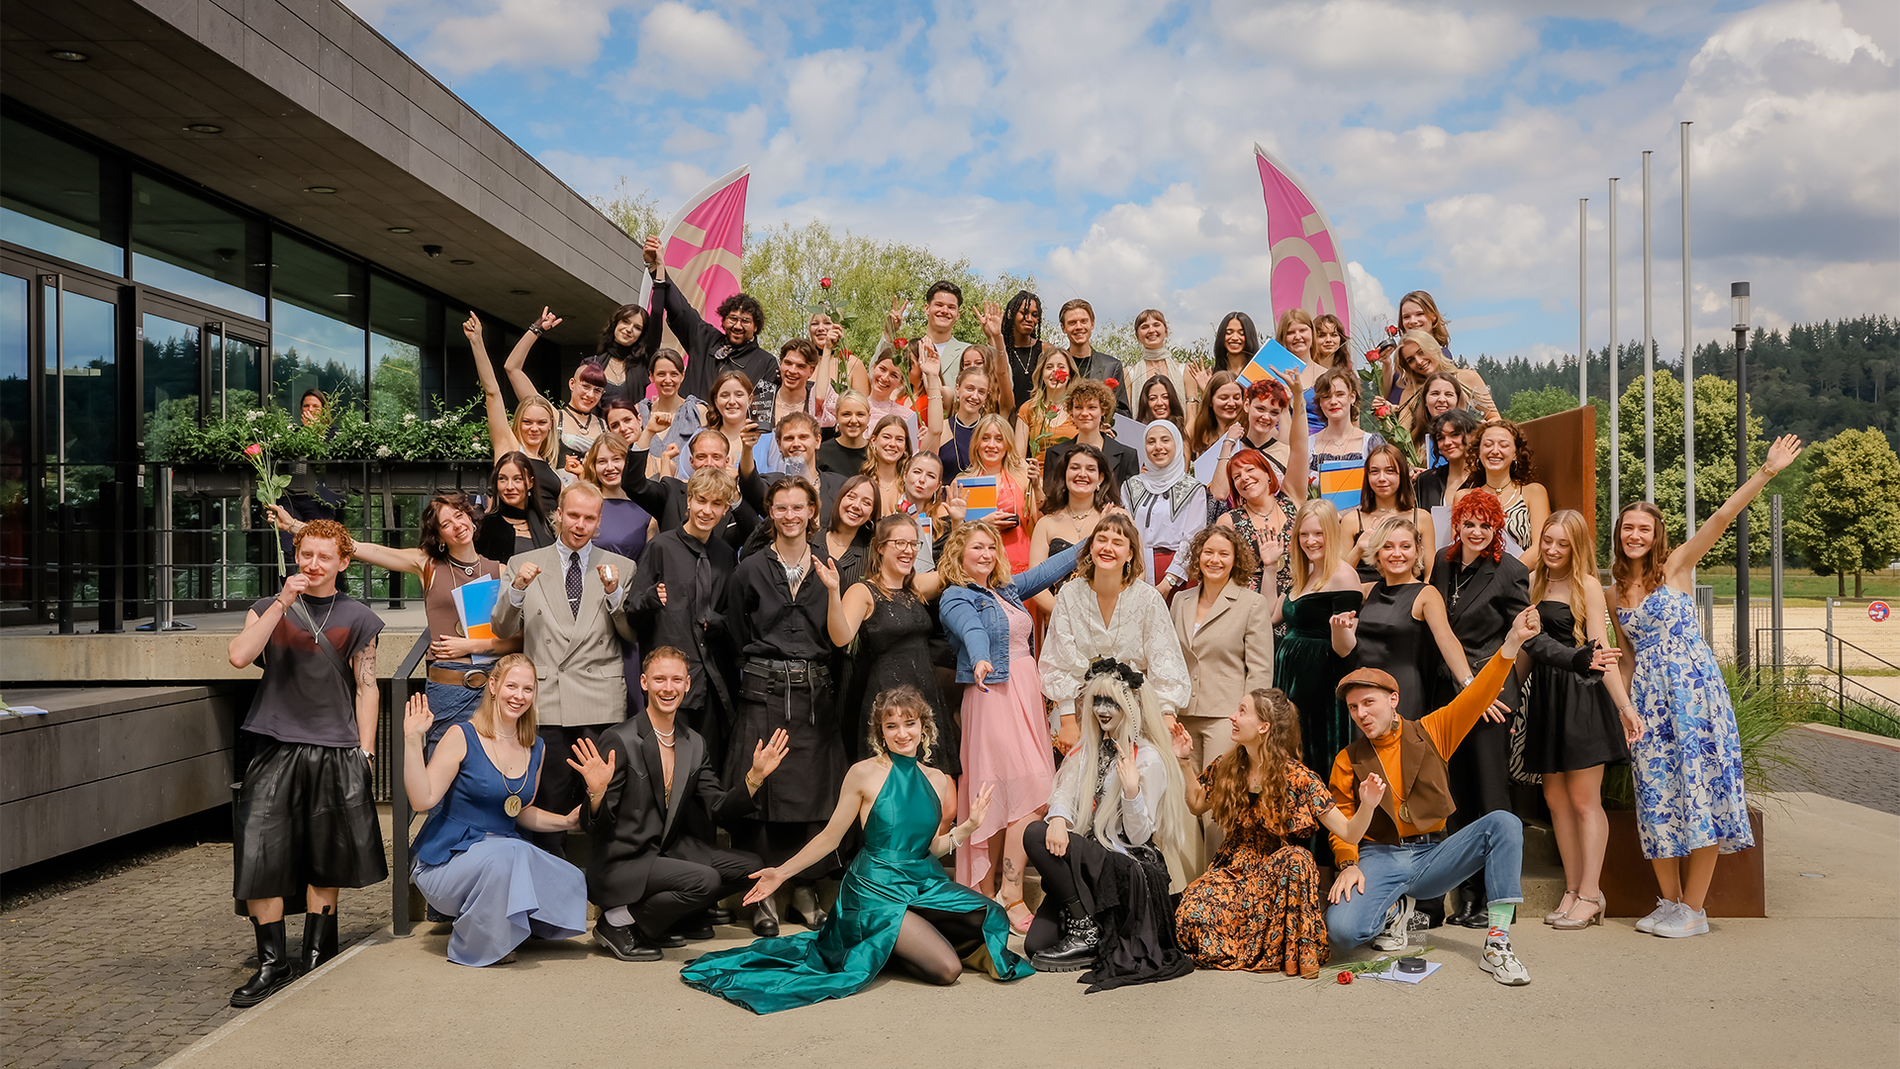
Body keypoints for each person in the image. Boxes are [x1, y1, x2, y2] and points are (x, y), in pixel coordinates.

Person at [680, 686, 1033, 1013]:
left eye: (909, 723)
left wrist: (967, 829)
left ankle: (895, 942)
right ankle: (885, 945)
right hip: (874, 889)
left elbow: (931, 848)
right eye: (891, 725)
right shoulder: (864, 773)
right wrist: (781, 873)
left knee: (990, 915)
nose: (902, 733)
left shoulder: (938, 780)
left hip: (921, 882)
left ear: (923, 727)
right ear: (881, 731)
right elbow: (831, 838)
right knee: (947, 969)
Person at [1612, 435, 1803, 938]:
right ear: (1618, 534)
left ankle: (1694, 910)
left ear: (1658, 536)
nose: (1635, 535)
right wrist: (1626, 710)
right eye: (1628, 528)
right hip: (1649, 702)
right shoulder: (1614, 591)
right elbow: (1627, 657)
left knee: (1698, 791)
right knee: (1657, 795)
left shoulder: (1676, 568)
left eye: (1643, 529)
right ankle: (1669, 901)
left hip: (1694, 694)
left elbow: (1720, 518)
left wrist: (1767, 471)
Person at [1323, 606, 1543, 986]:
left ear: (1393, 699)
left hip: (1434, 854)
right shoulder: (1347, 758)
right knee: (1343, 933)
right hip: (1379, 855)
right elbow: (1340, 821)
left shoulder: (1432, 730)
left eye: (1369, 702)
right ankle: (1393, 911)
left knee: (1503, 823)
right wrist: (1348, 863)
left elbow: (1476, 695)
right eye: (1353, 707)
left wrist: (1511, 644)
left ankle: (1498, 942)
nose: (1361, 713)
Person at [223, 519, 387, 1007]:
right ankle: (273, 961)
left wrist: (366, 749)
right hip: (274, 742)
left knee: (325, 852)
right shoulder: (267, 608)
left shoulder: (358, 617)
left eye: (324, 557)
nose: (313, 565)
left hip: (336, 746)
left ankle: (318, 950)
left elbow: (367, 686)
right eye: (306, 555)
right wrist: (281, 603)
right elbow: (238, 657)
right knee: (260, 851)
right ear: (296, 555)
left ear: (342, 562)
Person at [568, 647, 792, 959]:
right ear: (644, 682)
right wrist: (596, 794)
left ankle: (664, 919)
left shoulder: (694, 743)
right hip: (622, 861)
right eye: (660, 679)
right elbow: (597, 827)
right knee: (706, 880)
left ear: (688, 684)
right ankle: (618, 922)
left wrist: (753, 778)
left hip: (667, 852)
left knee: (751, 868)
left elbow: (718, 809)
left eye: (676, 680)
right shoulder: (620, 739)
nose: (668, 688)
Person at [266, 494, 520, 753]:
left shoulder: (499, 571)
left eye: (459, 515)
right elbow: (359, 548)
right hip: (448, 689)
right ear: (439, 536)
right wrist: (294, 526)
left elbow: (519, 639)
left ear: (471, 518)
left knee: (495, 764)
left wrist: (472, 646)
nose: (457, 525)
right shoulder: (427, 564)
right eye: (445, 524)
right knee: (445, 766)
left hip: (492, 686)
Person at [1171, 688, 1384, 977]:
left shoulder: (1300, 778)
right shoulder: (1228, 766)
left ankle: (1288, 948)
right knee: (1191, 912)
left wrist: (1368, 805)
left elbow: (1349, 833)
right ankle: (1250, 943)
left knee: (1297, 858)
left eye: (1242, 711)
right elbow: (1197, 804)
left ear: (1264, 726)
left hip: (1279, 874)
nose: (1233, 717)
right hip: (1233, 869)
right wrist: (1184, 761)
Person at [938, 522, 1086, 933]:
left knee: (1030, 793)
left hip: (1026, 695)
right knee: (1007, 789)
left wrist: (1095, 538)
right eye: (976, 548)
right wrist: (981, 657)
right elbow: (970, 628)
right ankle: (993, 892)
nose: (985, 554)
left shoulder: (1004, 589)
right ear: (959, 554)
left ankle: (1007, 890)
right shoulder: (956, 595)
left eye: (991, 547)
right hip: (993, 696)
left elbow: (1047, 571)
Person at [720, 476, 849, 937]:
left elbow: (838, 637)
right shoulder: (750, 569)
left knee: (813, 797)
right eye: (782, 508)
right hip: (763, 690)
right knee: (763, 798)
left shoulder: (828, 568)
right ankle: (765, 894)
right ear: (770, 513)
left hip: (815, 695)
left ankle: (803, 887)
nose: (791, 515)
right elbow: (736, 631)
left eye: (800, 507)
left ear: (813, 512)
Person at [400, 657, 587, 966]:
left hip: (505, 855)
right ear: (493, 686)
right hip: (447, 861)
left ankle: (505, 925)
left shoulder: (535, 746)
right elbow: (423, 800)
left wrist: (565, 821)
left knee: (569, 878)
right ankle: (477, 943)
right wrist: (411, 739)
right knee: (510, 855)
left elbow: (521, 811)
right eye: (511, 686)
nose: (519, 695)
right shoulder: (461, 735)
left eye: (528, 688)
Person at [1021, 665, 1194, 987]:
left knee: (1033, 834)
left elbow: (1140, 836)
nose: (1101, 710)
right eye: (1097, 701)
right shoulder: (1089, 749)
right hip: (1090, 856)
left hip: (1125, 864)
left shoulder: (1150, 758)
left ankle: (1086, 930)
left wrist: (1131, 792)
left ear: (1131, 707)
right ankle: (1087, 926)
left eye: (1111, 702)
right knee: (1036, 946)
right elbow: (1065, 791)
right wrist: (1058, 819)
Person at [493, 481, 637, 859]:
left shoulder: (621, 567)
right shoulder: (522, 564)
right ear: (559, 513)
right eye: (573, 515)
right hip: (548, 699)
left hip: (599, 699)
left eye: (589, 518)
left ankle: (609, 883)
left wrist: (613, 595)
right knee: (550, 795)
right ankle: (549, 884)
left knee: (603, 797)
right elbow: (503, 629)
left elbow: (632, 633)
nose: (580, 524)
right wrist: (519, 589)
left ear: (599, 521)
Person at [1522, 510, 1642, 931]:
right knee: (1555, 798)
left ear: (1577, 547)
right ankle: (1572, 889)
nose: (1553, 550)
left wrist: (1625, 708)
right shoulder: (1534, 582)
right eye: (1547, 541)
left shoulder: (1586, 585)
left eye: (1563, 543)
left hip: (1582, 698)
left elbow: (1602, 651)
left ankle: (1592, 893)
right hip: (1545, 699)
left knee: (1583, 800)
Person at [1428, 489, 1531, 931]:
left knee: (1490, 796)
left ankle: (1494, 901)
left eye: (1485, 525)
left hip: (1489, 698)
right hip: (1446, 693)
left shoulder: (1509, 571)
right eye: (1468, 522)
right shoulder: (1441, 561)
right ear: (1457, 523)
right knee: (1457, 798)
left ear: (1497, 529)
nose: (1475, 531)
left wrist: (1576, 658)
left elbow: (1523, 635)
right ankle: (1467, 898)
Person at [818, 513, 959, 776]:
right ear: (881, 547)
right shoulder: (863, 591)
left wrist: (958, 523)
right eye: (900, 543)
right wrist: (833, 592)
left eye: (914, 544)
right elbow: (841, 636)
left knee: (935, 783)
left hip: (925, 695)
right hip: (888, 700)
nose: (909, 550)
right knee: (891, 784)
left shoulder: (914, 587)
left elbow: (955, 570)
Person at [1040, 514, 1190, 760]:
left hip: (1134, 712)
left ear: (1130, 553)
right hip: (1078, 712)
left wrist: (1167, 715)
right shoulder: (1069, 594)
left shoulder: (1148, 599)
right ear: (1091, 547)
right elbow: (1057, 661)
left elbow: (1166, 662)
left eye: (1117, 542)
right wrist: (1067, 720)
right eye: (1101, 540)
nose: (1108, 547)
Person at [627, 468, 743, 770]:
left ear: (725, 509)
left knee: (706, 767)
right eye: (701, 500)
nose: (707, 510)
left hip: (712, 682)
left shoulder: (726, 554)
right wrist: (651, 600)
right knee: (668, 768)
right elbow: (632, 612)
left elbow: (735, 618)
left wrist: (719, 622)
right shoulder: (661, 547)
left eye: (717, 504)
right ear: (689, 501)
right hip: (672, 684)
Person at [1331, 516, 1479, 724]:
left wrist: (1471, 684)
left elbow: (1446, 639)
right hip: (1363, 692)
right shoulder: (1365, 591)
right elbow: (1330, 581)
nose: (1397, 554)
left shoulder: (1426, 594)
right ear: (1377, 552)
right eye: (1388, 546)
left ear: (1417, 551)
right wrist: (1357, 548)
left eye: (1405, 546)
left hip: (1404, 692)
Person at [1169, 526, 1275, 780]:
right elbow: (1169, 659)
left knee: (1217, 800)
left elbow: (1260, 669)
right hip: (1182, 715)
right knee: (1183, 800)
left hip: (1225, 716)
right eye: (1208, 552)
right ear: (1198, 557)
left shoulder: (1252, 603)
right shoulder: (1180, 601)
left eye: (1223, 554)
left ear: (1235, 559)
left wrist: (1249, 717)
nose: (1214, 560)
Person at [1272, 500, 1365, 782]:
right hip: (1291, 677)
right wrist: (1267, 568)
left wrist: (1338, 628)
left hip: (1320, 680)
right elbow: (1272, 616)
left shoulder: (1344, 575)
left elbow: (1345, 648)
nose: (1310, 541)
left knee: (1314, 754)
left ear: (1332, 534)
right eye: (1304, 534)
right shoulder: (1305, 575)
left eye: (1318, 533)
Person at [643, 237, 778, 404]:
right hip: (688, 427)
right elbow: (679, 307)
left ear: (756, 326)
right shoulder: (704, 338)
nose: (737, 326)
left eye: (745, 321)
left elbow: (763, 411)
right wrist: (657, 267)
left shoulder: (767, 363)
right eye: (733, 318)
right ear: (723, 320)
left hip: (731, 430)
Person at [466, 312, 562, 515]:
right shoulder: (509, 446)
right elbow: (492, 392)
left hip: (548, 539)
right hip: (518, 536)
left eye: (541, 422)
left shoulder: (548, 460)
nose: (534, 428)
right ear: (518, 422)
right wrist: (476, 341)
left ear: (550, 425)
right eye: (527, 422)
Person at [499, 308, 608, 474]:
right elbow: (512, 368)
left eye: (597, 390)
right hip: (557, 495)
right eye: (585, 386)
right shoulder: (552, 416)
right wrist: (536, 329)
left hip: (593, 497)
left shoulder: (604, 426)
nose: (590, 395)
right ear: (572, 383)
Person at [625, 427, 761, 549]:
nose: (709, 463)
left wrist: (733, 492)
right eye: (701, 457)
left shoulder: (734, 503)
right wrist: (649, 432)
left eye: (716, 457)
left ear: (727, 462)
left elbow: (756, 536)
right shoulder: (671, 491)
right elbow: (633, 485)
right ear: (692, 462)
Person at [1026, 443, 1115, 617]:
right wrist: (1065, 615)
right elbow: (1035, 583)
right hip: (1060, 620)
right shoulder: (1046, 523)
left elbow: (1136, 571)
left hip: (1108, 618)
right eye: (1075, 468)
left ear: (1101, 478)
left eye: (1090, 469)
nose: (1082, 474)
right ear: (1064, 474)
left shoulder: (1115, 516)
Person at [1127, 421, 1209, 592]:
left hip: (1178, 575)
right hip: (1136, 570)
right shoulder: (1131, 486)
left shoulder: (1193, 488)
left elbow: (1193, 537)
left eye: (1165, 440)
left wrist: (1169, 580)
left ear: (1177, 444)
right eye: (1151, 442)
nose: (1158, 447)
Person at [1453, 418, 1548, 564]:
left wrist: (1506, 578)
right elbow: (1458, 547)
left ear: (1515, 453)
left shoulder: (1534, 493)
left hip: (1521, 580)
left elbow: (1538, 548)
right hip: (1476, 581)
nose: (1495, 451)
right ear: (1479, 452)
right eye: (1488, 445)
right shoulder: (1463, 496)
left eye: (1503, 445)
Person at [1342, 443, 1436, 582]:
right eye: (1374, 471)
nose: (1381, 478)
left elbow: (1430, 573)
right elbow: (1340, 575)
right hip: (1364, 598)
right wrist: (1359, 548)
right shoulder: (1352, 520)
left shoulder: (1422, 518)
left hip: (1409, 598)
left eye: (1390, 471)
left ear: (1402, 474)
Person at [957, 414, 1038, 574]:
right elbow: (955, 534)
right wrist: (983, 523)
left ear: (1007, 444)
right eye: (985, 438)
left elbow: (1040, 521)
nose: (992, 445)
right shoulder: (962, 482)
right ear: (976, 443)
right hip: (979, 567)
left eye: (999, 439)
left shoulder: (1023, 477)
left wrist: (1038, 487)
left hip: (1020, 562)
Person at [1309, 367, 1384, 513]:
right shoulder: (1308, 444)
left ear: (1352, 397)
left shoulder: (1371, 442)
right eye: (1326, 396)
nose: (1333, 401)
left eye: (1340, 394)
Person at [1043, 379, 1140, 489]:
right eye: (1078, 407)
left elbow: (1131, 502)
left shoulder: (1127, 456)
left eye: (1091, 407)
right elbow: (1050, 500)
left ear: (1103, 410)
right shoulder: (1054, 455)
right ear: (1071, 411)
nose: (1084, 413)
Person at [474, 451, 556, 562]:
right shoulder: (485, 527)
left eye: (518, 479)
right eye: (502, 479)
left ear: (530, 483)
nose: (510, 487)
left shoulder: (546, 523)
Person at [633, 349, 702, 478]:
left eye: (674, 374)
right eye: (661, 374)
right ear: (651, 376)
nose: (668, 380)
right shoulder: (639, 412)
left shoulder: (698, 411)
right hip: (646, 490)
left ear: (683, 375)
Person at [585, 300, 663, 409]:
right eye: (625, 321)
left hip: (634, 425)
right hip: (596, 425)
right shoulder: (591, 364)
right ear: (616, 323)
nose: (629, 329)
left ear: (642, 335)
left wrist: (660, 284)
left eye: (637, 327)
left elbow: (658, 315)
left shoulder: (643, 363)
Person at [1056, 298, 1128, 414]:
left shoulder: (1112, 366)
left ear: (1092, 324)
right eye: (1072, 323)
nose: (1078, 327)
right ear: (1063, 328)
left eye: (1083, 321)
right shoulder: (1054, 367)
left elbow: (1123, 412)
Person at [807, 310, 868, 432]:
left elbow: (864, 409)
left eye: (827, 323)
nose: (820, 328)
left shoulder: (852, 363)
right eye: (815, 324)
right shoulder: (802, 364)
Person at [1015, 347, 1079, 462]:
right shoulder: (1028, 409)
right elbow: (1018, 460)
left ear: (1070, 374)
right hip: (1036, 477)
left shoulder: (1079, 410)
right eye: (1049, 367)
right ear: (1041, 373)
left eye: (1061, 367)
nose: (1055, 371)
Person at [1414, 407, 1479, 517]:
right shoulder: (1425, 481)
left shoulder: (1484, 479)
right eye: (1441, 438)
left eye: (1454, 435)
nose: (1447, 442)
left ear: (1471, 436)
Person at [988, 289, 1048, 404]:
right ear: (1011, 314)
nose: (1029, 319)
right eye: (1024, 313)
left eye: (1034, 315)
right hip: (1004, 417)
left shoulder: (1046, 350)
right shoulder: (1000, 348)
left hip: (1036, 418)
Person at [1124, 309, 1186, 420]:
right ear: (1137, 335)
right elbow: (1127, 416)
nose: (1151, 330)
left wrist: (1180, 436)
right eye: (1144, 327)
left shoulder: (1184, 371)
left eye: (1156, 325)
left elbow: (1192, 416)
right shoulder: (1129, 374)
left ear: (1166, 331)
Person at [1408, 369, 1471, 471]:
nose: (1442, 399)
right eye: (1435, 394)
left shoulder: (1472, 437)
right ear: (1425, 401)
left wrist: (1431, 477)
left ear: (1457, 400)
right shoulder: (1413, 442)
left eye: (1449, 394)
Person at [1185, 370, 1245, 474]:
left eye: (1236, 397)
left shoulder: (1249, 433)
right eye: (1223, 398)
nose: (1231, 403)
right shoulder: (1202, 436)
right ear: (1210, 401)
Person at [861, 414, 913, 518]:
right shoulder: (861, 482)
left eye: (899, 439)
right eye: (886, 437)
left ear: (905, 446)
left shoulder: (911, 485)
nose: (893, 444)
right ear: (873, 441)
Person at [818, 392, 873, 476]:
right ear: (836, 418)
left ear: (868, 418)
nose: (854, 420)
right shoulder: (821, 453)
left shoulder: (876, 453)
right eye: (846, 414)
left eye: (860, 414)